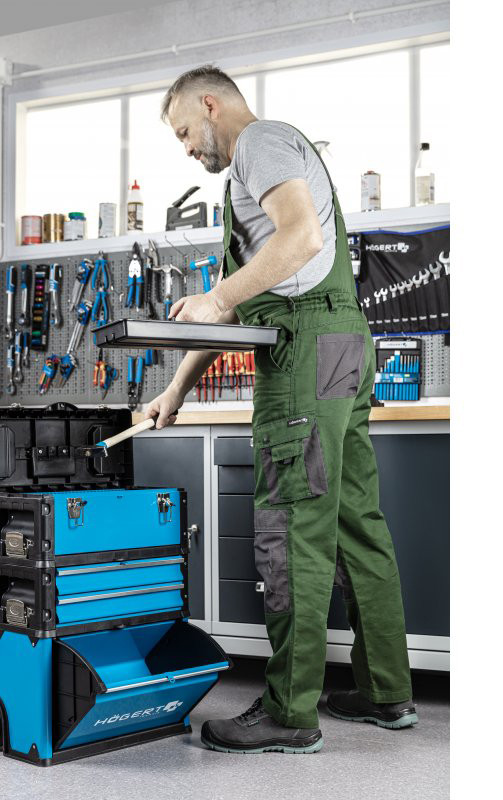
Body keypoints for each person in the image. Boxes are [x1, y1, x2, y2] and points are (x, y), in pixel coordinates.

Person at [144, 65, 418, 755]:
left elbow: (302, 240)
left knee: (292, 527)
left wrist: (218, 297)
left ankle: (289, 714)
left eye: (183, 131)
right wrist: (176, 390)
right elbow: (233, 307)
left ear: (211, 104)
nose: (186, 148)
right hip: (342, 343)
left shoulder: (258, 145)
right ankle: (385, 692)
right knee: (355, 524)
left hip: (305, 350)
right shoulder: (262, 168)